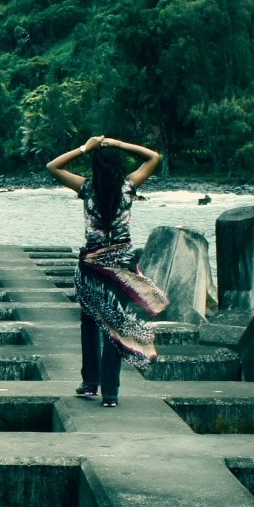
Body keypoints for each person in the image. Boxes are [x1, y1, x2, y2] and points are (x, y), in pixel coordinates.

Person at [46, 135, 169, 406]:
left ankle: (91, 383)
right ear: (118, 164)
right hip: (122, 263)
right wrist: (120, 144)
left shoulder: (86, 187)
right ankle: (110, 394)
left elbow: (53, 167)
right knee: (115, 325)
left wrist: (83, 148)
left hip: (91, 263)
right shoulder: (129, 186)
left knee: (90, 322)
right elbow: (153, 157)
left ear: (95, 165)